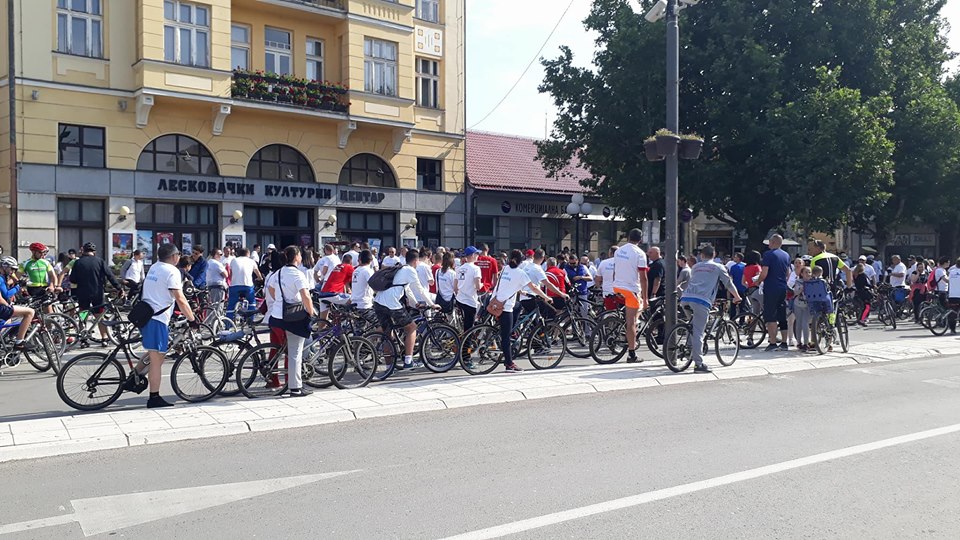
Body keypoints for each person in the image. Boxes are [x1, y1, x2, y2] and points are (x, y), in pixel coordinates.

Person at [126, 243, 198, 408]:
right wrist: (192, 319)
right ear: (174, 256)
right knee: (157, 360)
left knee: (153, 353)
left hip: (147, 315)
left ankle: (133, 378)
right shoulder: (172, 271)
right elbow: (180, 298)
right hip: (157, 319)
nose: (179, 257)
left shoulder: (154, 267)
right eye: (178, 254)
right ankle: (154, 397)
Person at [679, 245, 742, 373]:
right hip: (701, 300)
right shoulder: (719, 267)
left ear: (701, 256)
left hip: (686, 298)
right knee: (698, 332)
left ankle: (689, 349)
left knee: (692, 325)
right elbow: (728, 283)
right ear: (714, 255)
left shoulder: (696, 267)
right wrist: (737, 296)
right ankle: (698, 364)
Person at [373, 249, 435, 370]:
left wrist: (415, 303)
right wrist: (432, 304)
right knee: (412, 327)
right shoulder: (410, 270)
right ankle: (408, 361)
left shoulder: (400, 268)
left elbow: (408, 290)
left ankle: (389, 367)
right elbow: (420, 289)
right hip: (392, 303)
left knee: (387, 334)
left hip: (379, 302)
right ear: (416, 261)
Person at [266, 246, 315, 397]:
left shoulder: (278, 272)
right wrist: (311, 312)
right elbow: (306, 296)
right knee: (295, 353)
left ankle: (278, 379)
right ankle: (295, 388)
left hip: (276, 317)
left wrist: (281, 301)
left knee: (280, 349)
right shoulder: (298, 274)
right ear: (296, 257)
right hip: (293, 318)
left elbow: (271, 290)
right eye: (299, 254)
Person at [495, 250, 554, 373]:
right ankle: (509, 364)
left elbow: (507, 284)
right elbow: (534, 287)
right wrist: (546, 297)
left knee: (517, 308)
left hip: (495, 302)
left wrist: (521, 291)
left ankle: (514, 331)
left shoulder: (505, 268)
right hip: (505, 307)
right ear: (521, 261)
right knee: (505, 337)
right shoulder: (520, 273)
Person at [70, 243, 124, 344]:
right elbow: (110, 275)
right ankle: (104, 338)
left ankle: (83, 338)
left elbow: (72, 279)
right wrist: (118, 288)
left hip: (83, 292)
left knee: (83, 314)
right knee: (99, 315)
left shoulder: (78, 262)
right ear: (94, 252)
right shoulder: (100, 261)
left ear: (84, 251)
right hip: (97, 292)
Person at [611, 228, 649, 363]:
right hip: (630, 289)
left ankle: (621, 327)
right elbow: (643, 278)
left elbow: (616, 270)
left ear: (628, 237)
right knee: (631, 322)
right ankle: (632, 354)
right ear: (641, 240)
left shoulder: (619, 250)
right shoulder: (640, 253)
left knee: (630, 312)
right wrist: (645, 298)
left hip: (617, 286)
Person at [757, 234, 791, 351]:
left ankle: (772, 342)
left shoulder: (768, 255)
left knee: (770, 315)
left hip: (771, 287)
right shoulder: (786, 255)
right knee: (782, 315)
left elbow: (764, 272)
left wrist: (758, 281)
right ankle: (784, 342)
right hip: (782, 287)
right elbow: (788, 273)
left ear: (773, 242)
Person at [0, 256, 36, 350]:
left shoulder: (3, 277)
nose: (13, 271)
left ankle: (4, 342)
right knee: (30, 312)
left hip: (2, 307)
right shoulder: (0, 278)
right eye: (12, 269)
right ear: (4, 266)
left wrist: (16, 280)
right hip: (1, 308)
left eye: (15, 269)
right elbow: (6, 294)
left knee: (10, 321)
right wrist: (18, 287)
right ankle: (19, 341)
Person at [455, 246, 483, 334]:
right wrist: (482, 285)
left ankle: (460, 341)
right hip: (470, 301)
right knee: (469, 328)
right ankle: (466, 347)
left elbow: (455, 286)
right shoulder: (476, 268)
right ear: (473, 255)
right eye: (477, 254)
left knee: (463, 325)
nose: (478, 256)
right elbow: (478, 286)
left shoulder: (459, 268)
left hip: (460, 299)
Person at [227, 248, 261, 318]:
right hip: (247, 285)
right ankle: (250, 320)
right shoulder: (251, 261)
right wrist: (260, 278)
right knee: (252, 302)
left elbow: (230, 273)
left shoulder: (234, 260)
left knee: (231, 304)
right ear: (248, 254)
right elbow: (258, 273)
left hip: (235, 285)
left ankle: (228, 323)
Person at [350, 250, 376, 319]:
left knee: (360, 327)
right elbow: (374, 285)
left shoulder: (356, 271)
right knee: (383, 325)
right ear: (371, 260)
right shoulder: (368, 271)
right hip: (364, 304)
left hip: (355, 302)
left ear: (360, 260)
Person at [792, 266, 813, 352]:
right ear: (801, 274)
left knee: (805, 323)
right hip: (798, 304)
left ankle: (806, 343)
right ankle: (799, 342)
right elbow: (795, 292)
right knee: (799, 323)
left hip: (808, 305)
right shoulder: (798, 281)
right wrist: (801, 288)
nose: (808, 274)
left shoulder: (813, 282)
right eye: (806, 272)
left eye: (809, 272)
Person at [595, 246, 621, 311]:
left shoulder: (603, 263)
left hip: (608, 292)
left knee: (610, 312)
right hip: (621, 292)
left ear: (610, 253)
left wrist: (599, 288)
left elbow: (598, 279)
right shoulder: (623, 262)